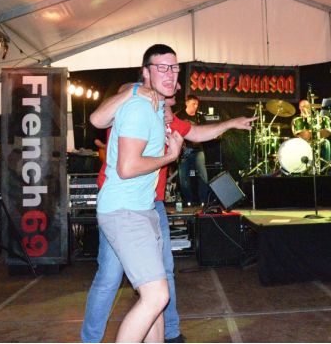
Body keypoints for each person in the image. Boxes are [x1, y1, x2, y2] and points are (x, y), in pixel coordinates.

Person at [83, 87, 254, 343]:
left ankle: (170, 333)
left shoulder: (167, 116)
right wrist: (136, 90)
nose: (175, 88)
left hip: (151, 205)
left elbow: (196, 132)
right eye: (168, 80)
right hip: (122, 207)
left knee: (161, 278)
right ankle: (90, 340)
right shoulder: (134, 102)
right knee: (111, 278)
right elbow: (102, 115)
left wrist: (230, 123)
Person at [86, 44, 184, 343]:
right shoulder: (139, 106)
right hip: (124, 212)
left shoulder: (156, 109)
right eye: (161, 68)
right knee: (155, 295)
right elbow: (127, 167)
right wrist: (170, 156)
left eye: (174, 68)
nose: (170, 74)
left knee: (154, 299)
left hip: (143, 210)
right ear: (146, 73)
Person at [176, 95, 209, 206]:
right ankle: (188, 201)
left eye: (197, 104)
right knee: (183, 178)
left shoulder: (200, 118)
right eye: (193, 104)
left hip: (198, 149)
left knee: (203, 175)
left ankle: (203, 201)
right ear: (187, 103)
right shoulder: (179, 116)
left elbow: (205, 132)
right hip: (183, 150)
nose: (195, 106)